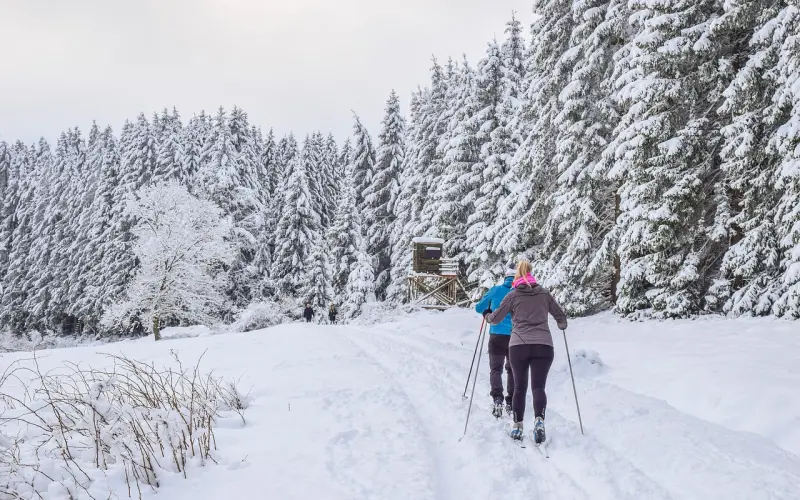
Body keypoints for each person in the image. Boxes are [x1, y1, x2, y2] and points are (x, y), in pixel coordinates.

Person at [485, 260, 567, 444]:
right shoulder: (544, 294)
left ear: (516, 276)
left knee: (520, 388)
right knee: (538, 387)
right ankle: (539, 420)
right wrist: (562, 324)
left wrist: (487, 316)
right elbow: (560, 316)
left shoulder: (513, 295)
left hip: (519, 346)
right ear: (531, 273)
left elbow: (496, 318)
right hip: (544, 346)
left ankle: (517, 426)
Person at [474, 265, 516, 418]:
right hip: (515, 337)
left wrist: (487, 312)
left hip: (497, 335)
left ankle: (498, 399)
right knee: (512, 370)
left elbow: (479, 307)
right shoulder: (519, 292)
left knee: (495, 369)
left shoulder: (496, 290)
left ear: (505, 278)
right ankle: (511, 402)